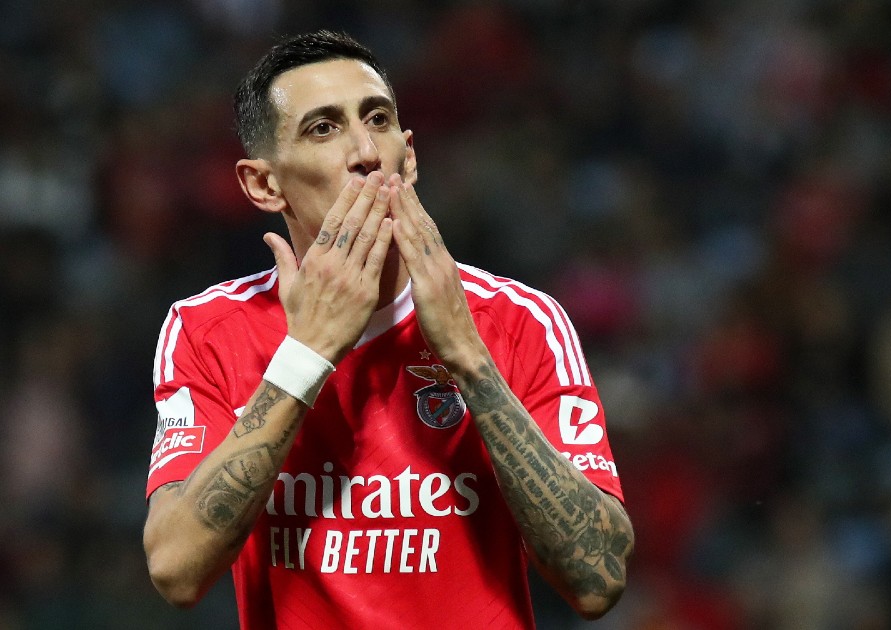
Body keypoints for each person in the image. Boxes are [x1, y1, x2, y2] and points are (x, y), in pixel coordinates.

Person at [142, 30, 633, 629]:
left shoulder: (519, 320)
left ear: (410, 155)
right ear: (264, 185)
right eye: (323, 128)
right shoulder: (208, 330)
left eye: (378, 119)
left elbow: (598, 578)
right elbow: (176, 569)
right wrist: (308, 352)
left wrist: (468, 357)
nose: (365, 151)